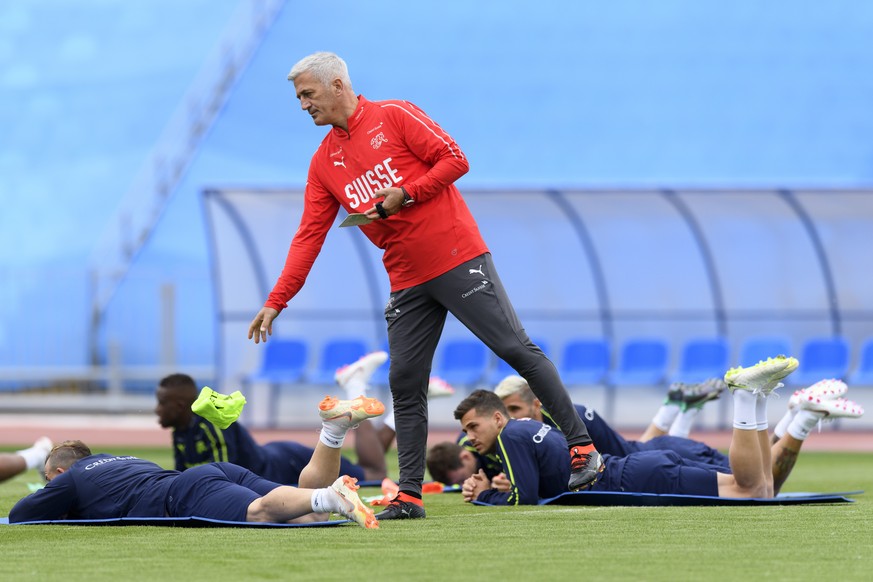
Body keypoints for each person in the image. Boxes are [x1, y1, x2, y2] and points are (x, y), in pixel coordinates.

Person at [246, 51, 601, 519]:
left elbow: (455, 160)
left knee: (515, 349)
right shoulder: (322, 163)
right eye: (298, 97)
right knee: (404, 382)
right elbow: (308, 236)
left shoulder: (394, 115)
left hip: (457, 257)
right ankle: (410, 495)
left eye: (308, 94)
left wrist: (407, 194)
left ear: (337, 85)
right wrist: (277, 301)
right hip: (406, 279)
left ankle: (582, 449)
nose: (303, 105)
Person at [452, 356, 864, 505]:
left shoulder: (547, 424)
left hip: (644, 467)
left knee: (756, 488)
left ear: (506, 415)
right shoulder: (544, 428)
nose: (469, 437)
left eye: (473, 426)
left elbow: (527, 497)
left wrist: (488, 492)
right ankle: (770, 404)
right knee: (762, 487)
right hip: (646, 461)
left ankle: (757, 402)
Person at [8, 397, 385, 528]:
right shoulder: (114, 461)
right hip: (216, 473)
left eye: (48, 479)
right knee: (310, 514)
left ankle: (333, 496)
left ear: (59, 471)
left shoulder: (69, 480)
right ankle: (333, 432)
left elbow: (22, 514)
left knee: (259, 513)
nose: (49, 485)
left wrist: (53, 492)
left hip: (186, 492)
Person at [426, 376, 730, 486]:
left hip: (648, 457)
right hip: (642, 461)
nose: (508, 419)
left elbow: (620, 455)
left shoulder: (574, 417)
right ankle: (683, 406)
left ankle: (680, 407)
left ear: (536, 404)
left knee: (638, 450)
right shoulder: (479, 440)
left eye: (514, 410)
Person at [155, 367, 388, 482]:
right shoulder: (180, 432)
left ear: (179, 405)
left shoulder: (211, 426)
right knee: (369, 466)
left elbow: (226, 478)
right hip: (275, 456)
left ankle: (355, 386)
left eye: (161, 403)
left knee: (376, 474)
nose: (156, 409)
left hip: (288, 462)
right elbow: (182, 477)